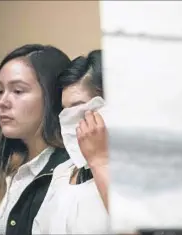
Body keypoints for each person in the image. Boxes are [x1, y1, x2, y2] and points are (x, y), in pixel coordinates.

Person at [0, 44, 72, 235]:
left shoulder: (69, 171)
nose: (2, 101)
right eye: (0, 90)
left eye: (17, 91)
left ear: (53, 97)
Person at [32, 49, 110, 234]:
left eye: (78, 108)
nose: (70, 120)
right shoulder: (62, 174)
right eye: (64, 111)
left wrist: (100, 161)